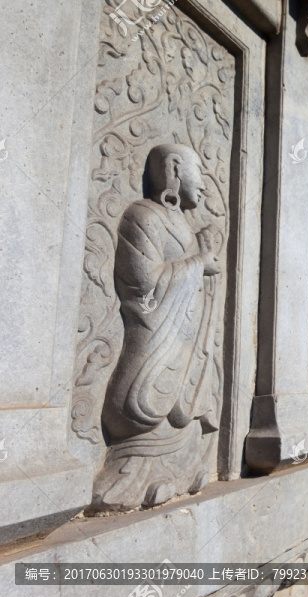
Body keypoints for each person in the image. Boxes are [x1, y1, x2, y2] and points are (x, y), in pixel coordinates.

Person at [94, 143, 220, 511]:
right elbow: (142, 283)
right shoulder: (142, 216)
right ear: (174, 170)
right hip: (156, 340)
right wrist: (198, 263)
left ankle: (182, 470)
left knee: (191, 408)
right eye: (198, 169)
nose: (206, 185)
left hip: (184, 340)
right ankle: (133, 478)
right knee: (141, 406)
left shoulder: (181, 222)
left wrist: (202, 262)